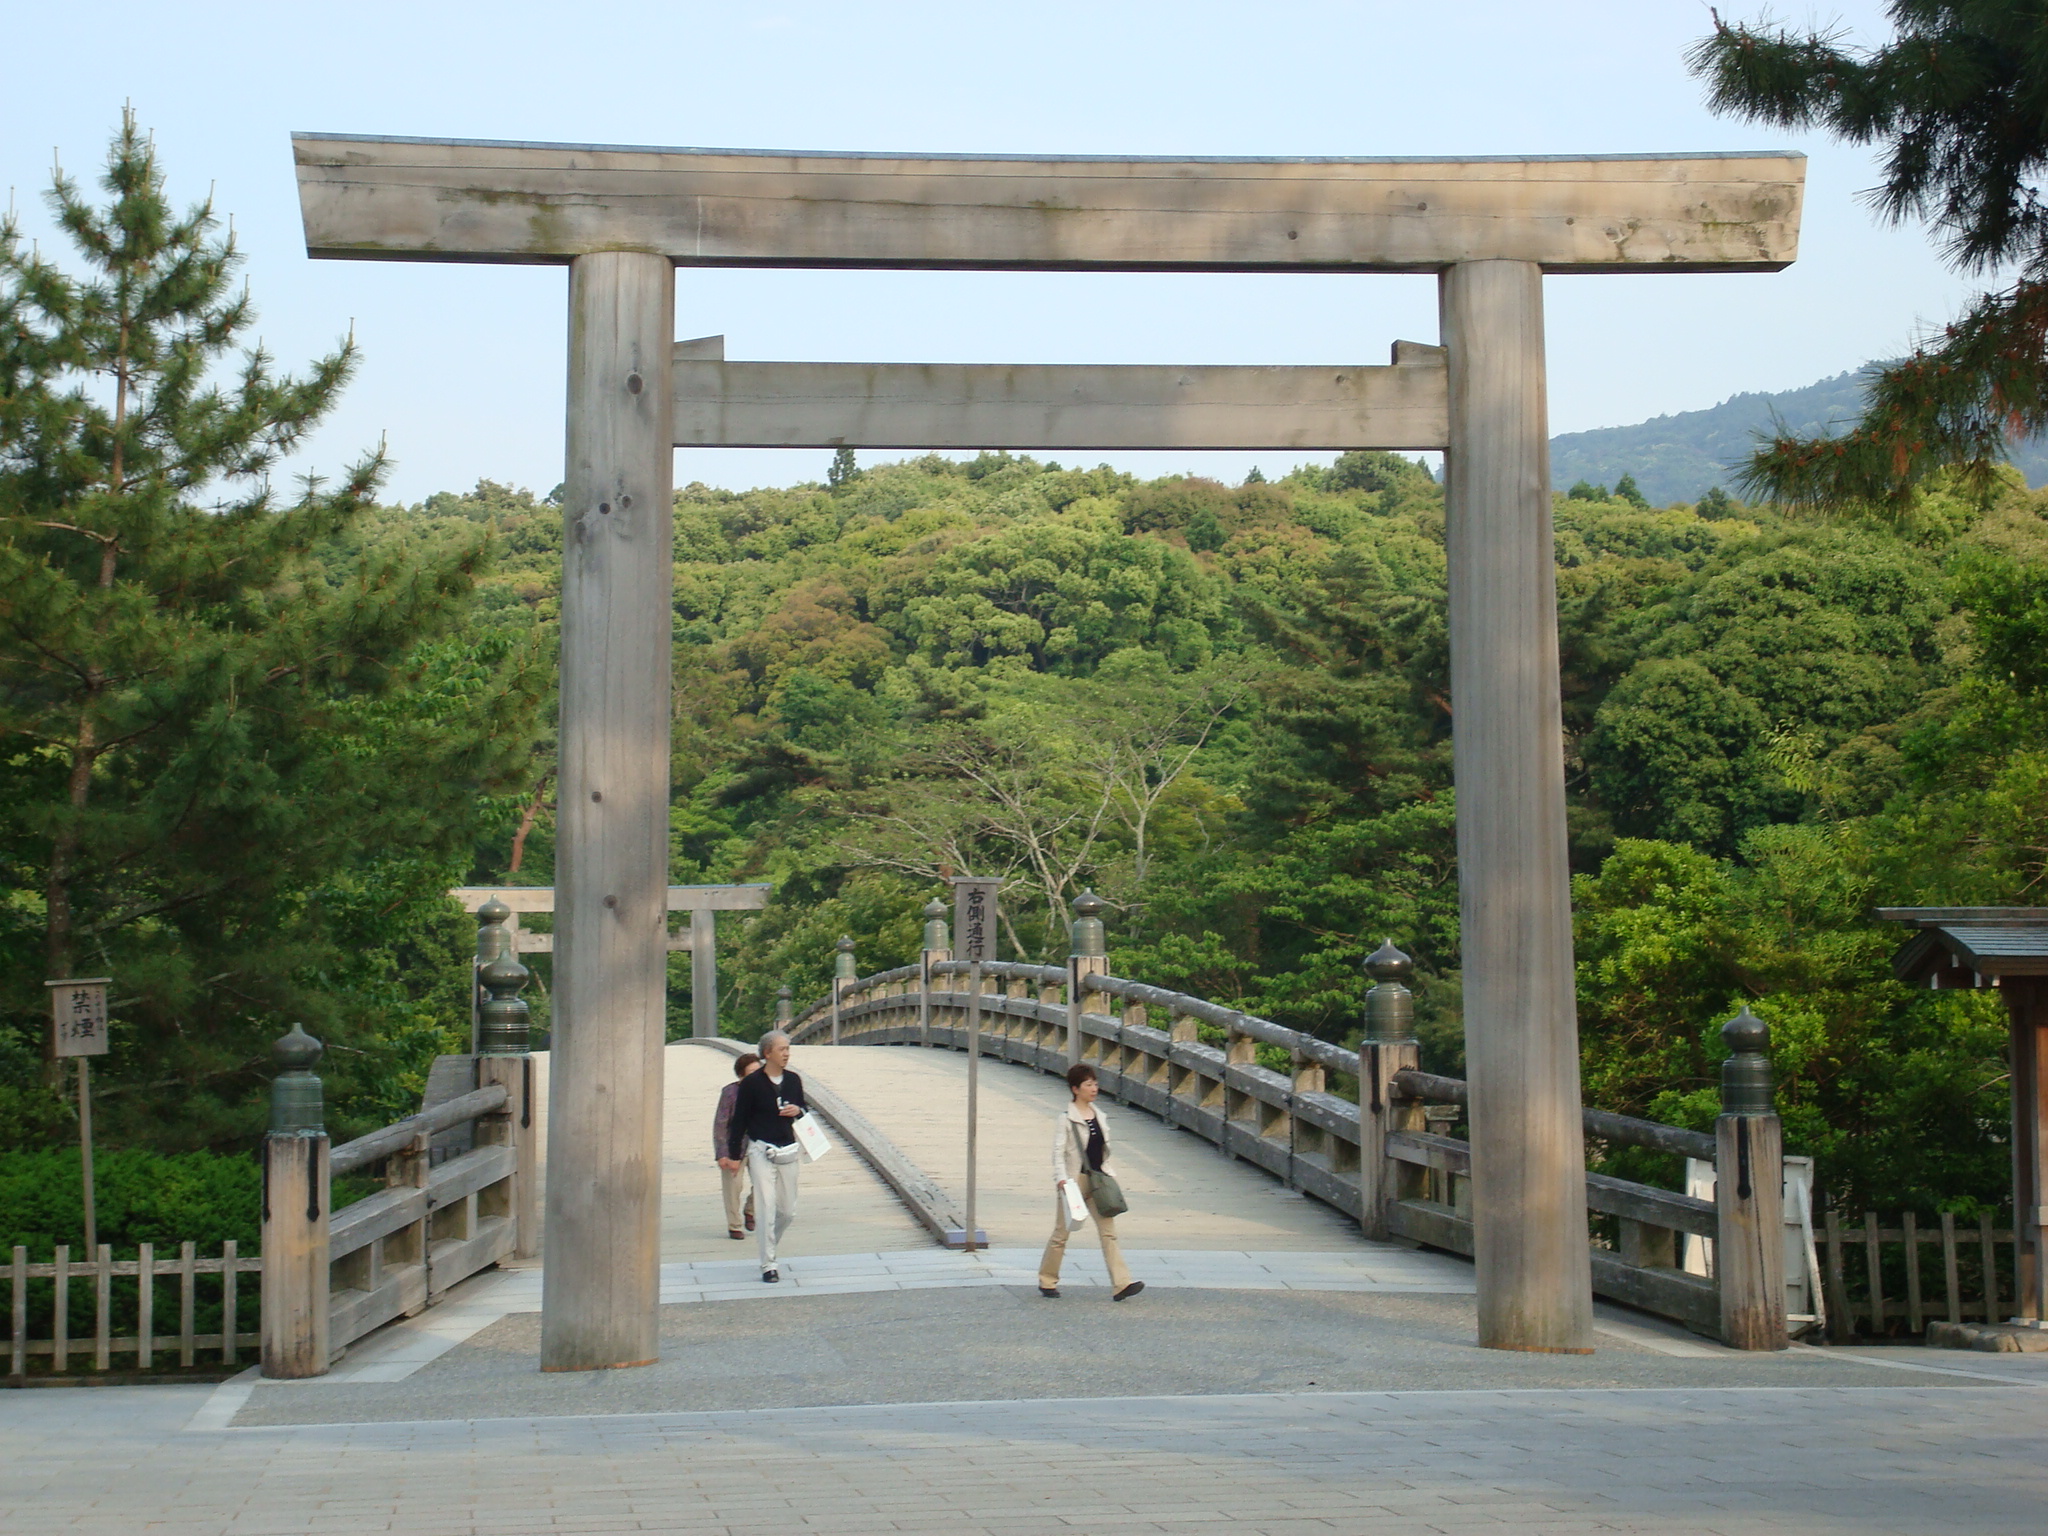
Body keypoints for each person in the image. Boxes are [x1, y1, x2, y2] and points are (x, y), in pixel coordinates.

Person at [1039, 1062, 1143, 1301]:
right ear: (1076, 1089)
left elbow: (1104, 1150)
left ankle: (1121, 1284)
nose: (1094, 1088)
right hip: (1074, 1181)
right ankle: (1047, 1279)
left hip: (1098, 1180)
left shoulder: (1100, 1116)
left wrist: (1109, 1173)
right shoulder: (1066, 1119)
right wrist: (1061, 1179)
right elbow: (1058, 1152)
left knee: (1109, 1233)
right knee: (1061, 1234)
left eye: (1095, 1083)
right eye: (1088, 1084)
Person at [719, 1030, 808, 1282]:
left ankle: (769, 1243)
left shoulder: (793, 1080)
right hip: (760, 1149)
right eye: (782, 1049)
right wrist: (734, 1155)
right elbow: (739, 1121)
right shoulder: (752, 1084)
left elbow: (804, 1110)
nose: (787, 1054)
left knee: (787, 1211)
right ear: (767, 1053)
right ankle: (768, 1263)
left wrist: (797, 1110)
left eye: (788, 1049)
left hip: (788, 1149)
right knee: (766, 1206)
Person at [711, 1052, 760, 1240]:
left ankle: (751, 1209)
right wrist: (722, 1153)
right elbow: (721, 1123)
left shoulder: (768, 1090)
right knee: (733, 1186)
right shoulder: (731, 1092)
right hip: (735, 1146)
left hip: (759, 1143)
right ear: (741, 1075)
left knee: (767, 1182)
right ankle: (734, 1225)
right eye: (752, 1073)